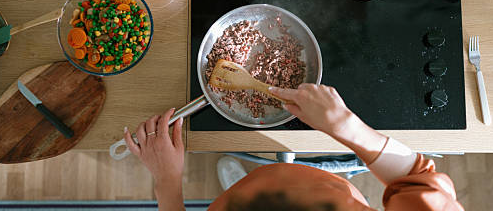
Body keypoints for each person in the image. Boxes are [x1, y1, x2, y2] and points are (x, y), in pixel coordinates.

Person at [124, 84, 463, 210]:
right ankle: (249, 181)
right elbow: (416, 176)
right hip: (322, 191)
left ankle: (238, 187)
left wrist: (167, 183)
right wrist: (347, 127)